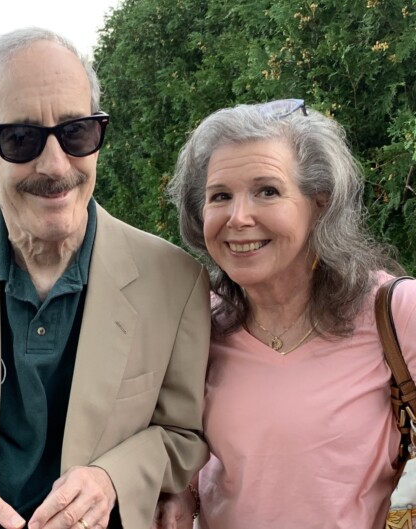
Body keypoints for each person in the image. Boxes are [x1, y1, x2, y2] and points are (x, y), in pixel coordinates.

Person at [0, 27, 211, 529]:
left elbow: (183, 435)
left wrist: (111, 479)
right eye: (21, 138)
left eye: (76, 132)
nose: (55, 166)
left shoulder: (177, 281)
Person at [155, 99, 415, 528]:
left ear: (319, 204)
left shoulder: (393, 311)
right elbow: (182, 444)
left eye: (267, 191)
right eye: (220, 196)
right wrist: (181, 491)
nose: (238, 217)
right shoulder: (197, 322)